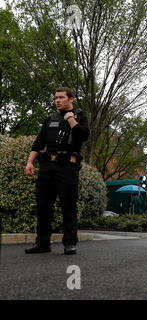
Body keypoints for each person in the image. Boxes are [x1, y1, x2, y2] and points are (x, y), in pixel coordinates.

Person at [24, 87, 90, 255]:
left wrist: (71, 120)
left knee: (68, 206)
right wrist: (30, 162)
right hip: (47, 167)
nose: (57, 101)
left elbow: (83, 136)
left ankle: (69, 243)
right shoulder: (50, 119)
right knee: (43, 206)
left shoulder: (80, 117)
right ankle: (43, 243)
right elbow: (39, 143)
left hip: (67, 167)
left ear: (71, 99)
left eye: (61, 97)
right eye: (56, 98)